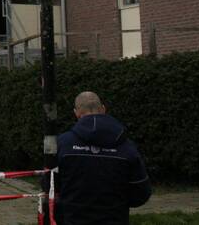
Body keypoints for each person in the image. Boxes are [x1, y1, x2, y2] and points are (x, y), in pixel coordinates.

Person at [55, 90, 151, 225]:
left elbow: (50, 185)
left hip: (73, 219)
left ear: (76, 113)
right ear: (103, 109)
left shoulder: (62, 143)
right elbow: (141, 191)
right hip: (115, 219)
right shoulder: (127, 146)